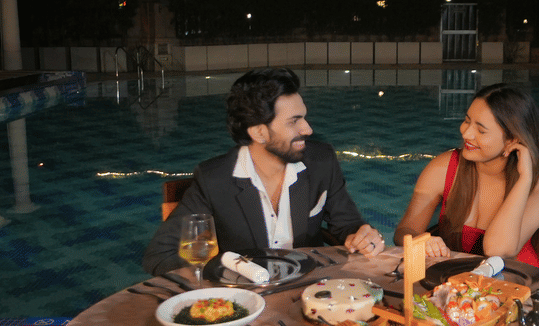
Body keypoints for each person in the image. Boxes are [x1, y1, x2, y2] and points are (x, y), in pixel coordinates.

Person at [143, 68, 385, 276]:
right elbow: (160, 255)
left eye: (305, 118)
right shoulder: (215, 179)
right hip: (248, 300)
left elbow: (348, 225)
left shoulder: (321, 161)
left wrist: (363, 236)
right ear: (259, 133)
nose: (308, 129)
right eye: (294, 121)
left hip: (310, 292)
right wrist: (234, 275)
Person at [394, 83, 539, 269]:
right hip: (455, 283)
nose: (466, 133)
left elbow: (497, 250)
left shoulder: (536, 191)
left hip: (516, 287)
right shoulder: (444, 168)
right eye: (467, 120)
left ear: (512, 140)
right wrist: (420, 240)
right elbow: (403, 231)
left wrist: (525, 178)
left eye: (481, 130)